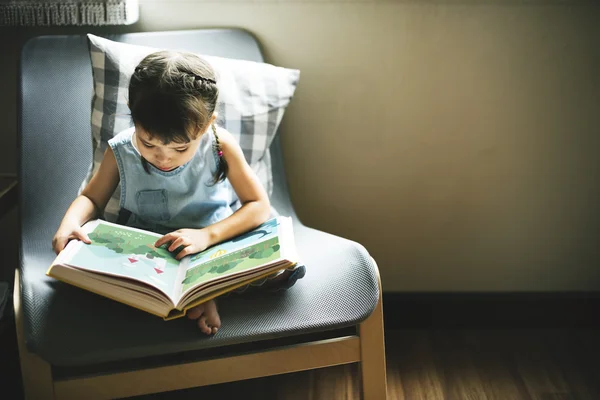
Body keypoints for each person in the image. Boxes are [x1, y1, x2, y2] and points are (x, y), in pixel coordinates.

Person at [52, 50, 298, 335]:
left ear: (207, 125)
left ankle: (205, 294)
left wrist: (206, 236)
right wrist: (69, 223)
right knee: (91, 286)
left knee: (274, 273)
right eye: (148, 143)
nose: (163, 158)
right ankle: (192, 298)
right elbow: (91, 198)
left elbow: (258, 205)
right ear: (132, 114)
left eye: (180, 148)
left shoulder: (220, 146)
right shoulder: (121, 150)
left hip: (212, 245)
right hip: (149, 253)